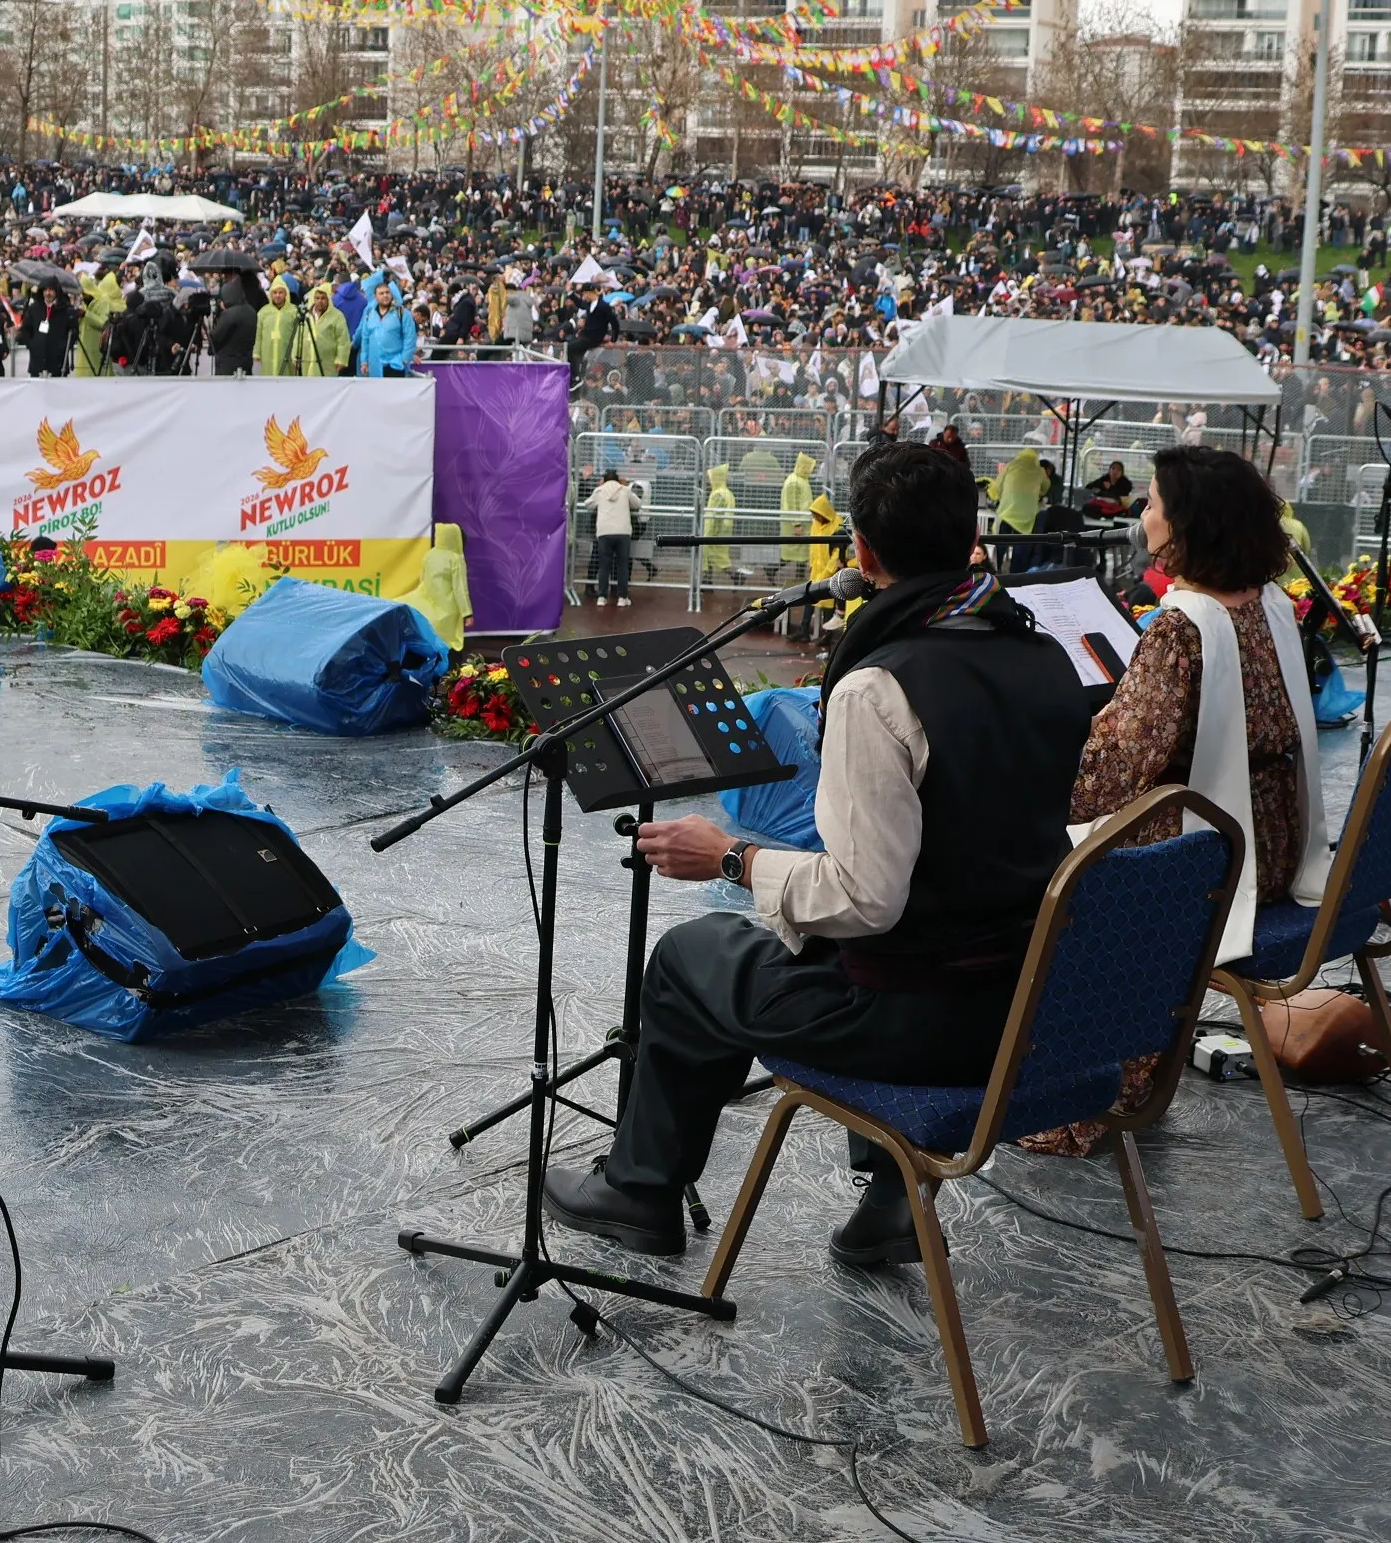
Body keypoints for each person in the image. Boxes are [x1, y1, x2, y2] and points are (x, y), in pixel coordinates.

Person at [544, 441, 1094, 1264]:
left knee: (694, 954)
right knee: (836, 940)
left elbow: (866, 898)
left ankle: (640, 1190)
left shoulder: (881, 688)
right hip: (1031, 1008)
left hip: (919, 1026)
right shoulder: (1045, 655)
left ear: (863, 553)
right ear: (969, 537)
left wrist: (731, 858)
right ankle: (891, 1205)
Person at [1023, 445, 1324, 1156]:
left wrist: (1036, 765)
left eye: (1154, 502)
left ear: (1186, 523)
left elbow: (1116, 770)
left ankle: (1085, 1099)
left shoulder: (1180, 625)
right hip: (1273, 841)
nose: (1144, 513)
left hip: (1207, 863)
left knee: (1050, 867)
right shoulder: (1271, 603)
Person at [580, 468, 637, 606]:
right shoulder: (625, 490)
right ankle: (622, 598)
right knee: (622, 565)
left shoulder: (599, 491)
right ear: (618, 479)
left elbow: (588, 504)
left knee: (604, 565)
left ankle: (602, 597)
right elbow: (637, 504)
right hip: (623, 532)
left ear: (603, 480)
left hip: (604, 532)